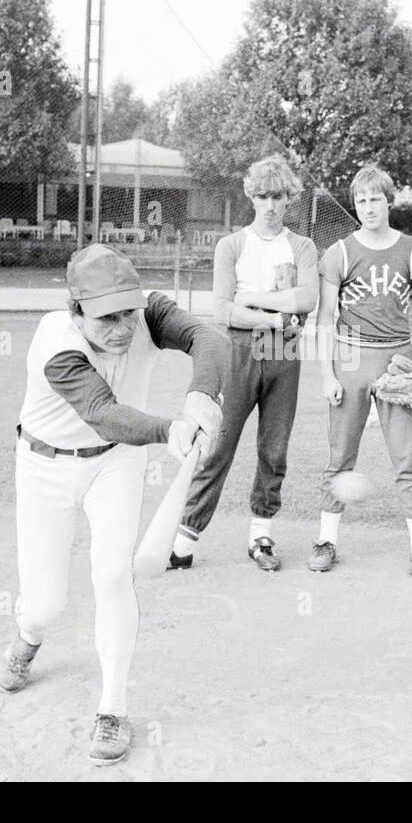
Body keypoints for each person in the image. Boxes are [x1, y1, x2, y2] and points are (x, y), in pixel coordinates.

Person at [0, 244, 231, 766]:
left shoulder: (150, 311)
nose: (123, 327)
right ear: (77, 312)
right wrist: (170, 430)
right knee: (45, 603)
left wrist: (200, 396)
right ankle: (29, 634)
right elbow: (102, 411)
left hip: (116, 464)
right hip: (44, 467)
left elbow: (209, 339)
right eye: (106, 317)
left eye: (128, 311)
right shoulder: (54, 342)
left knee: (112, 576)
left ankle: (113, 707)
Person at [171, 154, 319, 572]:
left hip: (285, 353)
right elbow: (222, 311)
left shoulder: (303, 246)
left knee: (274, 448)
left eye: (278, 196)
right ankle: (185, 538)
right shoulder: (231, 245)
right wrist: (272, 315)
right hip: (239, 349)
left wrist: (250, 298)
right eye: (263, 196)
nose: (271, 205)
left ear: (290, 199)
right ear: (250, 197)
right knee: (218, 443)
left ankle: (260, 536)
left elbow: (307, 299)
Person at [314, 164, 412, 577]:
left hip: (396, 360)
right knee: (340, 457)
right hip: (350, 359)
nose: (368, 207)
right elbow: (325, 316)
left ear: (389, 201)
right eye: (362, 200)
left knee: (407, 459)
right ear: (356, 205)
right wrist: (327, 375)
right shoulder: (340, 252)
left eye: (376, 198)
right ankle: (326, 540)